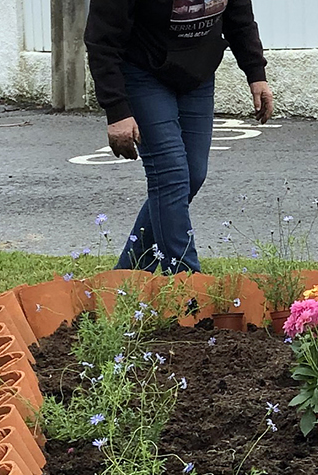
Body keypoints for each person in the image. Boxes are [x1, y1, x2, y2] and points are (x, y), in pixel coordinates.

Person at [86, 0, 274, 273]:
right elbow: (102, 39)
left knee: (193, 175)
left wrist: (256, 74)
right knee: (170, 175)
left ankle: (127, 275)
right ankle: (186, 280)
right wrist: (116, 110)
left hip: (197, 74)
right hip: (143, 73)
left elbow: (239, 17)